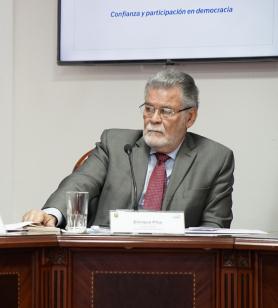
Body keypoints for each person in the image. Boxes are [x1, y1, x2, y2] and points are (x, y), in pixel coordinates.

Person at [23, 69, 234, 228]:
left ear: (190, 117)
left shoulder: (215, 159)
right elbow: (81, 183)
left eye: (166, 111)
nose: (153, 119)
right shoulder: (115, 144)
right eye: (149, 108)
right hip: (106, 259)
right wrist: (52, 214)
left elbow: (215, 227)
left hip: (176, 265)